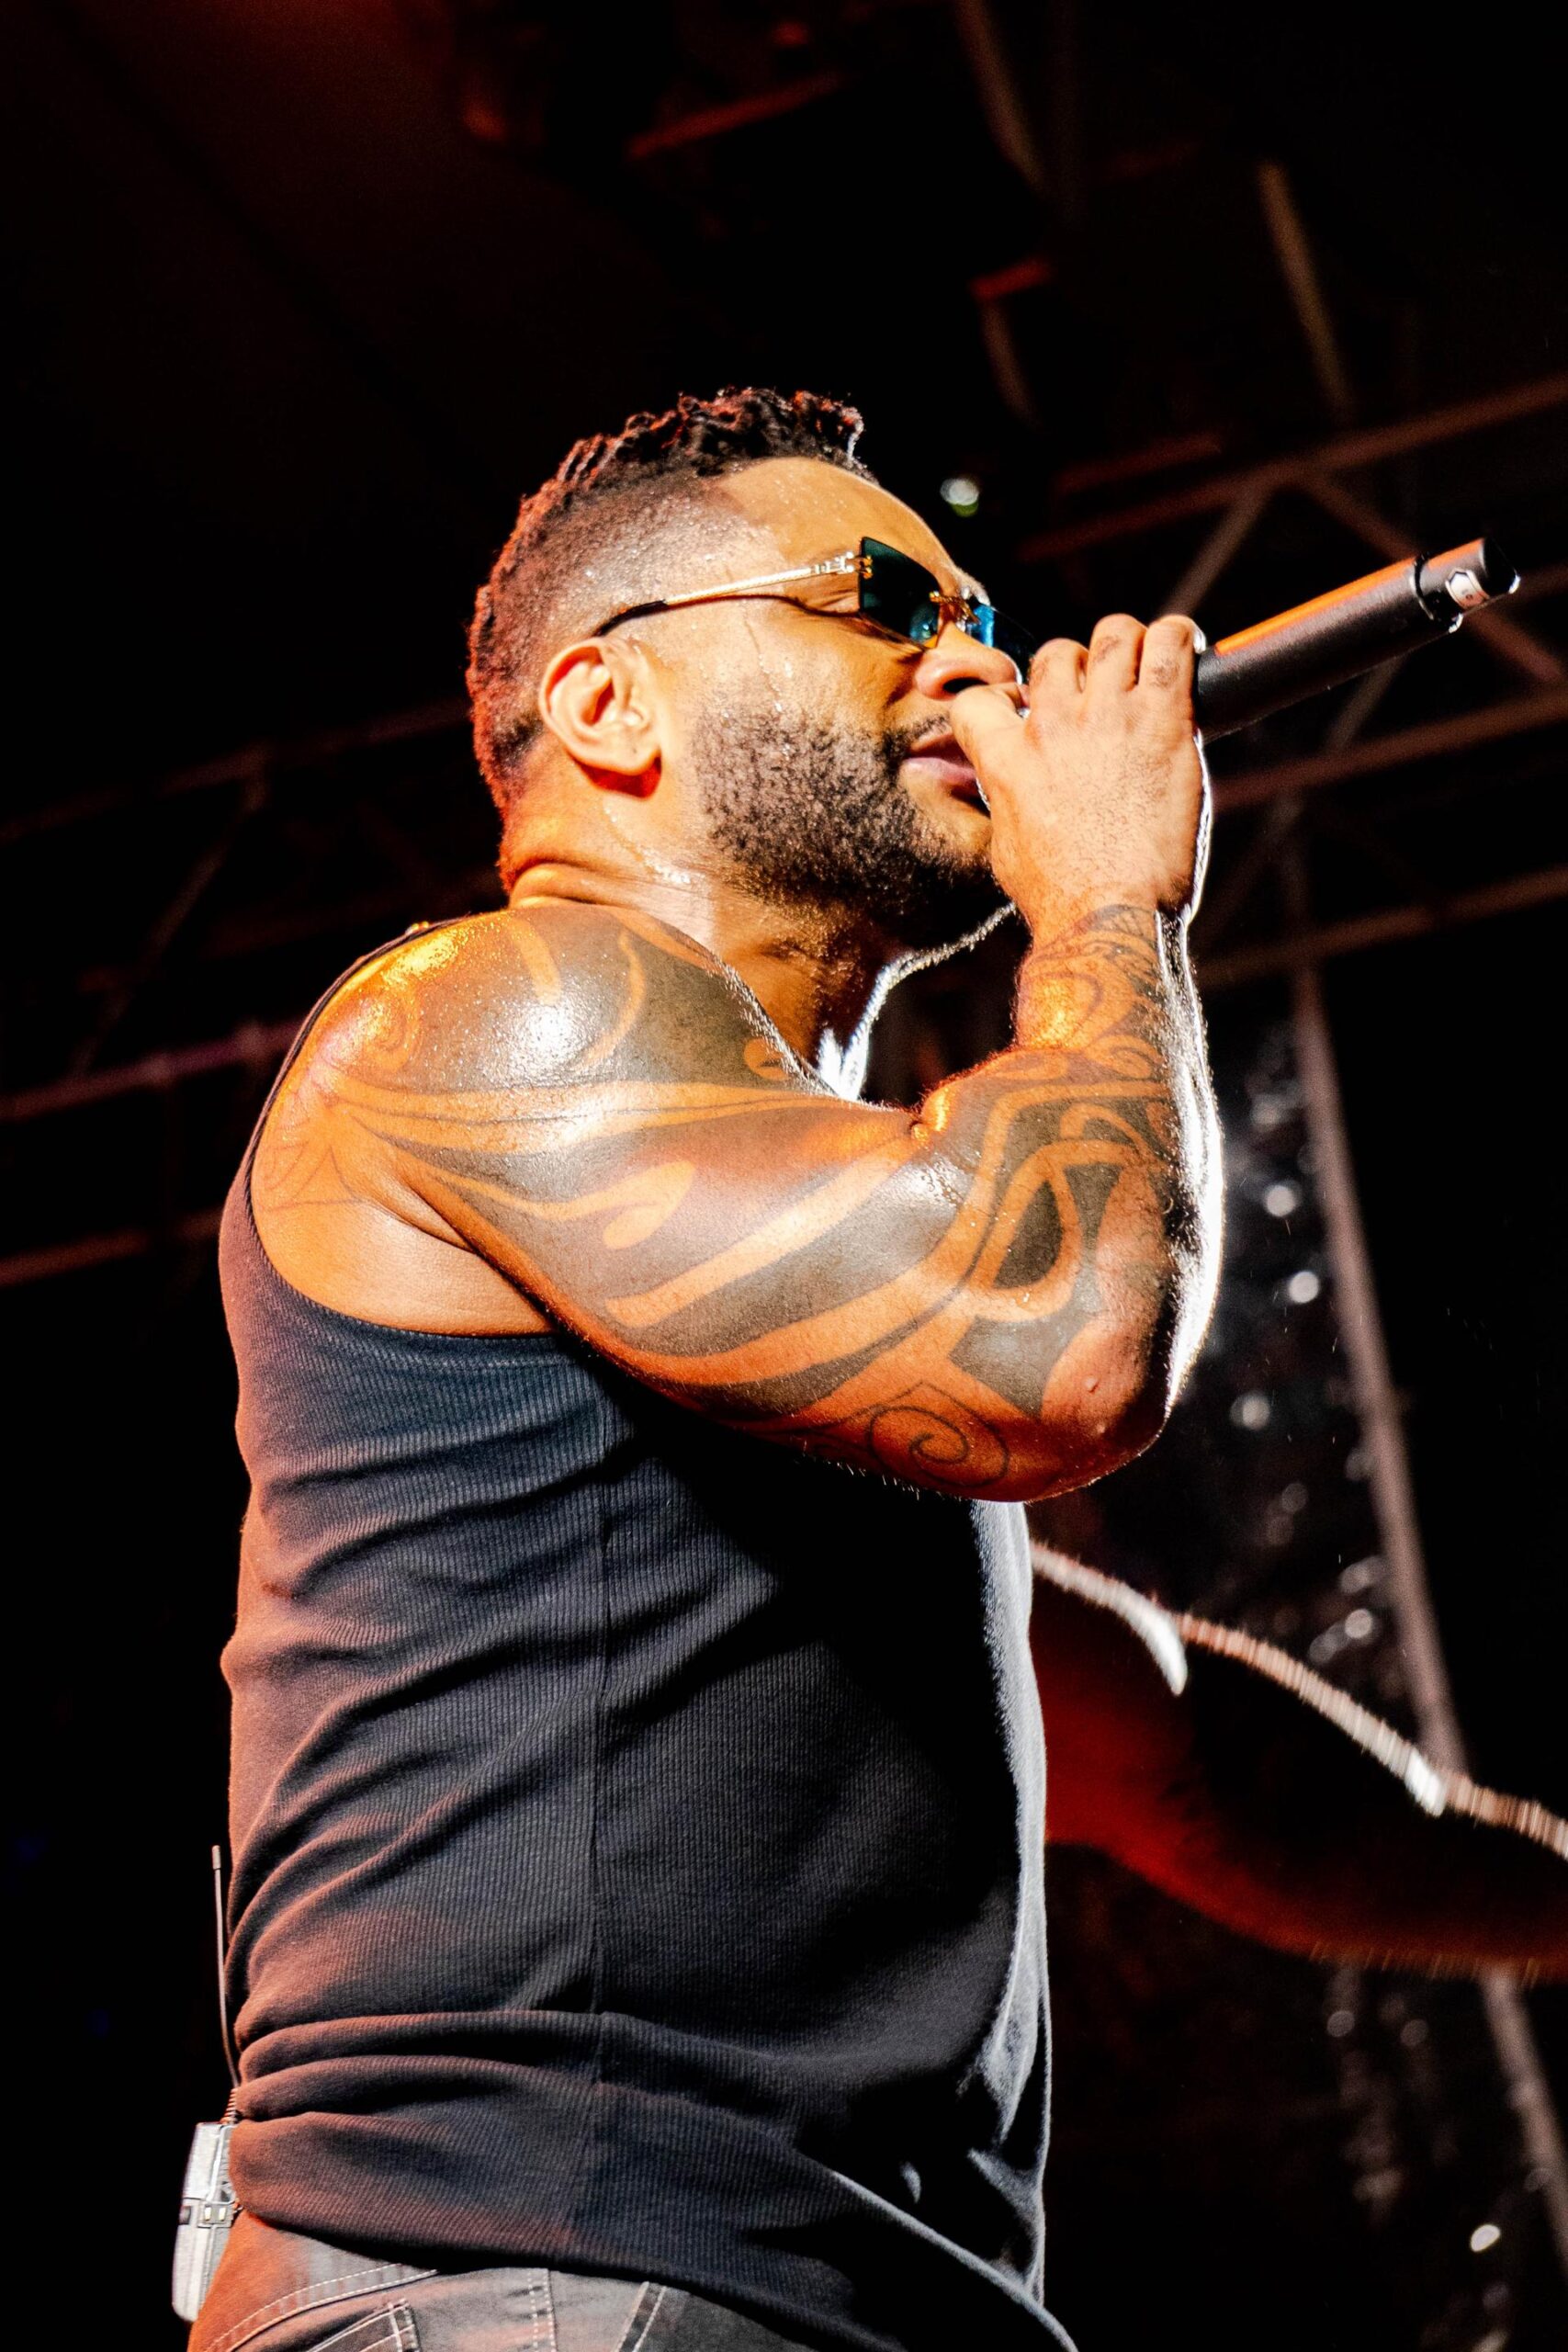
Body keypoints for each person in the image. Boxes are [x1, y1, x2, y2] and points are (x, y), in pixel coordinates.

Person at [196, 381, 1224, 2352]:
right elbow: (1065, 1344)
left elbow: (1176, 1747)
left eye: (982, 621)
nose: (975, 669)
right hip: (540, 2287)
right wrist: (1106, 898)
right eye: (884, 604)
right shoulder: (500, 1010)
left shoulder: (786, 1305)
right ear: (608, 703)